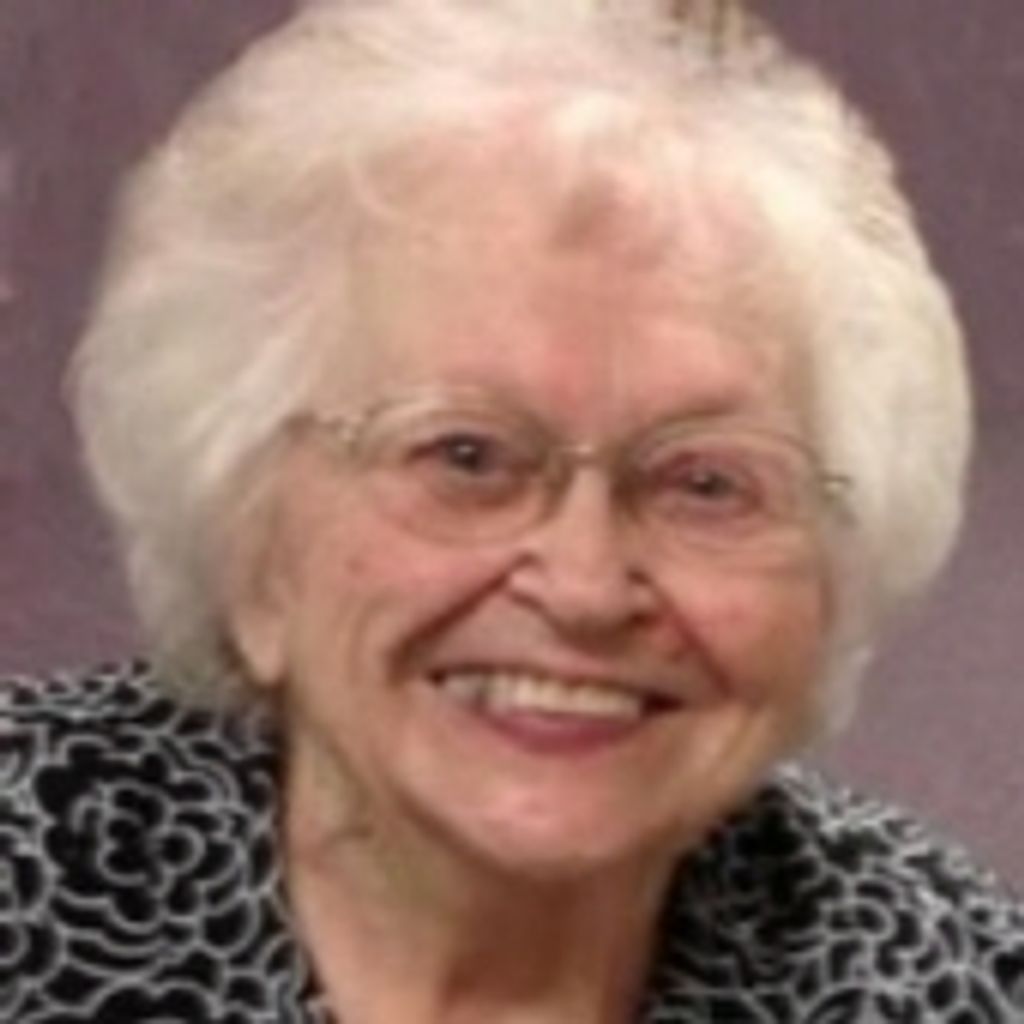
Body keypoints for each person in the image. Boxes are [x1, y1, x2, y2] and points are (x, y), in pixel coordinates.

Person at [2, 1, 1023, 1021]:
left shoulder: (952, 986)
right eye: (466, 456)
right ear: (254, 544)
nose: (584, 588)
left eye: (705, 483)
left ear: (831, 585)